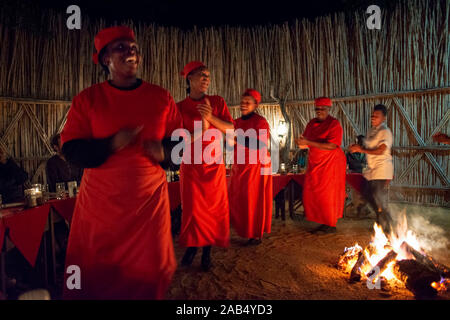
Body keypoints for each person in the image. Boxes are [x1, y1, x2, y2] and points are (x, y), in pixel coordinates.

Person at [60, 26, 181, 299]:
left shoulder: (161, 98)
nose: (131, 53)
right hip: (102, 211)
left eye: (133, 48)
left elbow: (180, 148)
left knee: (148, 276)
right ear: (105, 59)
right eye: (121, 48)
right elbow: (72, 151)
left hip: (148, 210)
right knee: (100, 277)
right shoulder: (88, 100)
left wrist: (164, 153)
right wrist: (112, 143)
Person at [177, 61, 234, 271]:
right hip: (191, 167)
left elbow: (230, 129)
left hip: (213, 166)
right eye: (201, 75)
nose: (206, 79)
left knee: (212, 209)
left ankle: (207, 251)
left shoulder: (217, 102)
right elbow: (179, 140)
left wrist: (210, 117)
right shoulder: (179, 107)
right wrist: (202, 130)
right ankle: (192, 246)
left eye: (208, 75)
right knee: (192, 209)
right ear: (189, 78)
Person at [295, 97, 346, 234]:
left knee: (328, 194)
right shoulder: (311, 123)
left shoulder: (334, 124)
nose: (319, 111)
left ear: (329, 109)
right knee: (313, 192)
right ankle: (324, 221)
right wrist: (301, 143)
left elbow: (332, 145)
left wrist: (309, 143)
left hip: (331, 164)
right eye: (317, 109)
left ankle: (330, 224)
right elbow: (306, 141)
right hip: (315, 162)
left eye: (323, 109)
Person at [229, 89, 272, 245]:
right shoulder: (236, 122)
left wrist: (237, 139)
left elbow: (259, 144)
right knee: (238, 199)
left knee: (254, 199)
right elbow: (230, 144)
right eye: (242, 102)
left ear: (256, 104)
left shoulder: (260, 122)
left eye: (248, 102)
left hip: (256, 166)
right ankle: (243, 229)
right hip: (240, 165)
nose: (243, 105)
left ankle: (255, 234)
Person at [349, 104, 394, 235]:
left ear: (384, 118)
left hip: (382, 168)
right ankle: (383, 220)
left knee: (376, 197)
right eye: (372, 115)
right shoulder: (371, 131)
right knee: (367, 194)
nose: (373, 118)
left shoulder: (385, 132)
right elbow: (366, 146)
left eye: (377, 116)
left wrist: (361, 149)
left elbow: (381, 150)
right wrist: (357, 146)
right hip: (371, 170)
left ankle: (388, 224)